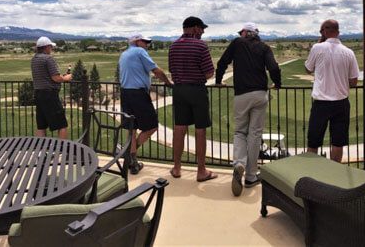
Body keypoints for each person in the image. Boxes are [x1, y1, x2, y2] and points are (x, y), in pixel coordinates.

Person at [216, 22, 281, 196]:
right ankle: (251, 176)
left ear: (245, 32)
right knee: (255, 134)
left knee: (240, 132)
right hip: (261, 94)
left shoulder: (237, 43)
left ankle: (239, 163)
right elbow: (273, 67)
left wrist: (218, 80)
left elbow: (223, 62)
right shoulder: (265, 47)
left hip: (242, 94)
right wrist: (278, 83)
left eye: (241, 32)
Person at [168, 16, 217, 182]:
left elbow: (172, 70)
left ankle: (176, 168)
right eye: (202, 28)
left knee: (179, 128)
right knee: (200, 130)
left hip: (179, 90)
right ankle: (201, 171)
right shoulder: (201, 46)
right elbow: (210, 73)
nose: (203, 32)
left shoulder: (173, 46)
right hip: (196, 90)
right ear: (195, 28)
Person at [304, 19, 359, 162]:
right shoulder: (349, 52)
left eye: (321, 30)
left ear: (325, 31)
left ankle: (312, 175)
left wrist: (319, 42)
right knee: (338, 142)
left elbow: (308, 69)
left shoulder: (317, 48)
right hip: (341, 103)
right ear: (338, 32)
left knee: (314, 141)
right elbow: (353, 81)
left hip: (321, 103)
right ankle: (335, 175)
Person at [118, 34, 172, 174]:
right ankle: (129, 155)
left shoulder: (124, 54)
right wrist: (169, 83)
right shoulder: (139, 51)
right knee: (152, 126)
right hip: (138, 94)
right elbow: (156, 70)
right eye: (145, 42)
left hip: (125, 93)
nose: (147, 44)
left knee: (132, 127)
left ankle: (132, 160)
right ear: (137, 42)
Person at [31, 36, 72, 139]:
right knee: (62, 124)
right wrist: (66, 78)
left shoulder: (34, 59)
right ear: (46, 47)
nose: (51, 49)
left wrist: (60, 77)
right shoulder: (48, 59)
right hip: (50, 95)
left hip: (38, 94)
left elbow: (45, 76)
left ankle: (40, 150)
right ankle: (62, 150)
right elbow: (55, 78)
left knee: (41, 125)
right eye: (51, 47)